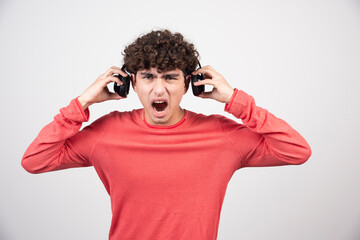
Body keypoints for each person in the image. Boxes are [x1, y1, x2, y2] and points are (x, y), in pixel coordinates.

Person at [22, 29, 311, 240]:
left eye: (170, 77)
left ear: (188, 84)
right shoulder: (108, 131)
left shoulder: (222, 136)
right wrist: (82, 103)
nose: (158, 90)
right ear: (131, 83)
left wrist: (235, 99)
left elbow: (297, 150)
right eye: (148, 76)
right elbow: (35, 160)